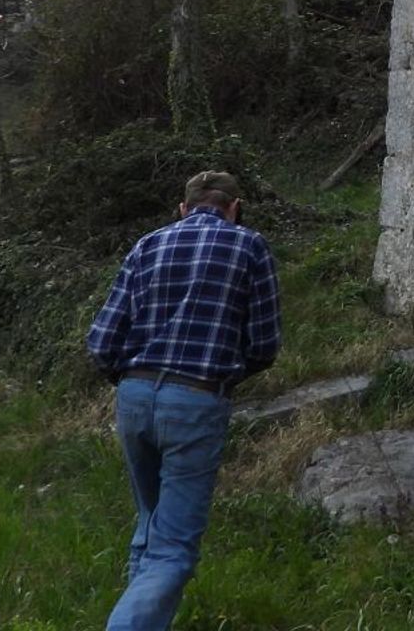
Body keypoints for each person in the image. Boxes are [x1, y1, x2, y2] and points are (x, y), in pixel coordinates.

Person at [86, 170, 282, 631]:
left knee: (150, 526)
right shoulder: (249, 246)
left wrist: (132, 377)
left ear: (184, 208)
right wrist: (225, 377)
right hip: (196, 399)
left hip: (134, 394)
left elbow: (100, 341)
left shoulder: (147, 245)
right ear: (235, 207)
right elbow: (264, 344)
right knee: (173, 547)